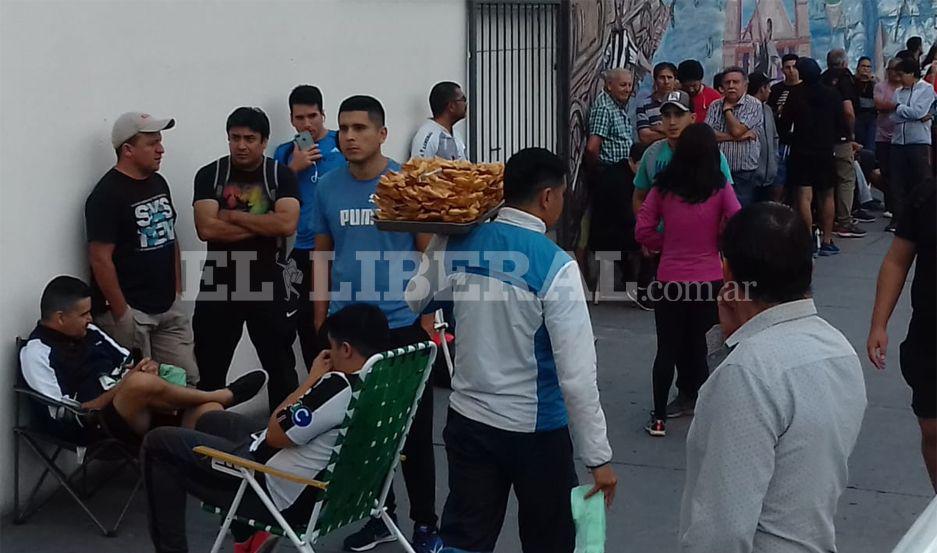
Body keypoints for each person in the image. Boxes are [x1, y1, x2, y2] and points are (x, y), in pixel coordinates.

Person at [406, 147, 617, 553]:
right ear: (547, 197)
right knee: (548, 541)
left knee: (465, 538)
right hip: (536, 432)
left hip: (468, 422)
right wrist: (599, 458)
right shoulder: (556, 265)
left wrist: (441, 237)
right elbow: (576, 377)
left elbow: (415, 298)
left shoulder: (457, 243)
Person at [679, 202, 867, 552]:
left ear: (728, 273)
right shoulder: (839, 349)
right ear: (809, 268)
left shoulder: (749, 372)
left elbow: (723, 530)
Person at [141, 304, 390, 553]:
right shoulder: (384, 382)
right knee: (211, 420)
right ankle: (248, 537)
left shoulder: (338, 387)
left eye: (332, 348)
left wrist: (311, 380)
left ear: (346, 349)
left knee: (158, 445)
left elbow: (275, 433)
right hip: (323, 483)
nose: (328, 355)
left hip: (272, 492)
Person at [309, 95, 440, 552]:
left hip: (401, 324)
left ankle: (425, 524)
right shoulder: (326, 186)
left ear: (381, 134)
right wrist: (320, 317)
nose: (349, 136)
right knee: (362, 432)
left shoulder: (405, 182)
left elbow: (428, 252)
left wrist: (427, 314)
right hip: (350, 332)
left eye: (360, 128)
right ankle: (379, 517)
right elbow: (322, 254)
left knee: (412, 432)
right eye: (344, 128)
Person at [20, 276, 266, 445]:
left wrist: (149, 367)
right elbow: (65, 413)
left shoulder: (91, 333)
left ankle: (249, 460)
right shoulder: (37, 352)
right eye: (84, 314)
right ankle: (220, 394)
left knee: (208, 413)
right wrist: (125, 386)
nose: (90, 320)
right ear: (60, 318)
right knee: (138, 384)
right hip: (93, 424)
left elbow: (128, 361)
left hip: (139, 407)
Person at [191, 107, 301, 413]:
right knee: (209, 372)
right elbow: (206, 228)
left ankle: (282, 443)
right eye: (235, 138)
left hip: (268, 284)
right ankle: (204, 438)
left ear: (264, 141)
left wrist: (232, 216)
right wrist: (262, 221)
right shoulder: (210, 174)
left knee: (280, 369)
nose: (241, 145)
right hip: (220, 283)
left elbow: (286, 225)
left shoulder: (280, 175)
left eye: (249, 139)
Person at [635, 124, 741, 437]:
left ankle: (658, 417)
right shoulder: (719, 185)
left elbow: (642, 229)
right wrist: (718, 238)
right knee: (706, 346)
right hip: (709, 279)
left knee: (667, 349)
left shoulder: (664, 186)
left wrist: (663, 242)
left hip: (670, 279)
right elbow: (738, 220)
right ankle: (708, 411)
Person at [85, 112, 198, 386]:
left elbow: (170, 235)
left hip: (167, 308)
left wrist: (177, 291)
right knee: (141, 388)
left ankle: (181, 430)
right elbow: (100, 259)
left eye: (160, 141)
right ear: (128, 150)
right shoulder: (106, 195)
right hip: (132, 313)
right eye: (151, 143)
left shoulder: (158, 183)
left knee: (187, 380)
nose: (161, 149)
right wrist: (123, 313)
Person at [632, 89, 735, 314]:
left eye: (678, 115)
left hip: (705, 258)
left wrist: (716, 242)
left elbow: (731, 210)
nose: (671, 121)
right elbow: (640, 196)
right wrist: (650, 240)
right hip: (666, 255)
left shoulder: (713, 157)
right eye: (666, 115)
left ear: (692, 118)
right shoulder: (651, 154)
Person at [868, 179, 936, 492]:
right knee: (932, 428)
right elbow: (897, 260)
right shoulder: (927, 194)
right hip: (929, 335)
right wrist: (879, 324)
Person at [273, 85, 348, 370]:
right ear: (292, 120)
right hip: (302, 249)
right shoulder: (283, 153)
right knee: (306, 322)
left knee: (340, 316)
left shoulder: (341, 144)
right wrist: (294, 167)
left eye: (313, 116)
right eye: (300, 118)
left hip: (338, 247)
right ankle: (314, 381)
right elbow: (269, 197)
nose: (307, 124)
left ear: (323, 114)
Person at [782, 57, 842, 256]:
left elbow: (784, 123)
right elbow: (842, 120)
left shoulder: (795, 94)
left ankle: (808, 241)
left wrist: (790, 137)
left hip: (801, 149)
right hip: (825, 149)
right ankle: (827, 239)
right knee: (827, 195)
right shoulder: (832, 94)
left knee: (803, 197)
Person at [585, 68, 638, 293]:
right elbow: (592, 147)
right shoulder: (604, 108)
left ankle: (622, 282)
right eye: (622, 85)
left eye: (629, 85)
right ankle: (615, 284)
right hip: (610, 175)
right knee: (615, 230)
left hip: (621, 175)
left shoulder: (617, 107)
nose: (627, 89)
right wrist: (598, 174)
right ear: (609, 85)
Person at [821, 49, 866, 240]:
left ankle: (825, 221)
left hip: (821, 138)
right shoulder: (845, 80)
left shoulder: (822, 79)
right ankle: (845, 221)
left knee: (827, 182)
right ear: (845, 63)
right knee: (846, 178)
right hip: (840, 138)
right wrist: (851, 133)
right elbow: (848, 110)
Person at [705, 67, 763, 206]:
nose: (731, 86)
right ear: (722, 86)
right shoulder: (714, 105)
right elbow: (708, 135)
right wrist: (735, 137)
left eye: (735, 82)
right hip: (719, 170)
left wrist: (727, 110)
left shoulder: (753, 104)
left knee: (741, 210)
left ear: (745, 85)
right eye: (727, 82)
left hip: (744, 172)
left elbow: (736, 130)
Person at [889, 57, 936, 229]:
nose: (900, 79)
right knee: (898, 182)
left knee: (922, 180)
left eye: (902, 75)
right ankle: (899, 218)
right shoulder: (899, 92)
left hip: (918, 142)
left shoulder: (926, 89)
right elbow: (892, 117)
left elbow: (918, 111)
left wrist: (900, 109)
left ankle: (926, 216)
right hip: (898, 142)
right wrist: (904, 113)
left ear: (912, 74)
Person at [767, 54, 804, 201]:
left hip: (801, 143)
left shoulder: (805, 89)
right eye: (788, 67)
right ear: (782, 70)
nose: (791, 71)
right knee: (779, 180)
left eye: (794, 67)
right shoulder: (776, 90)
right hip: (780, 141)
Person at [874, 57, 903, 227]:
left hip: (900, 137)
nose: (895, 72)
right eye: (892, 69)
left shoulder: (906, 88)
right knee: (885, 171)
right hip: (883, 136)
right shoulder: (880, 87)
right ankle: (890, 203)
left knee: (898, 173)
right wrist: (900, 107)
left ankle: (898, 206)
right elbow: (880, 105)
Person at [410, 81, 467, 161]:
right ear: (451, 106)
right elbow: (418, 170)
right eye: (463, 99)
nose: (466, 104)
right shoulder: (426, 136)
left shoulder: (456, 135)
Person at [747, 72, 779, 201]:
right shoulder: (745, 109)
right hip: (751, 178)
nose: (770, 91)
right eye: (768, 87)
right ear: (762, 88)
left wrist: (774, 162)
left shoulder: (767, 110)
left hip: (769, 177)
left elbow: (774, 137)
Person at [636, 62, 679, 144]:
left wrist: (661, 128)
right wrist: (674, 132)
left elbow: (685, 132)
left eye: (669, 77)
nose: (666, 82)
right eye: (662, 78)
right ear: (655, 80)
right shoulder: (644, 104)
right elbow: (645, 137)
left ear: (675, 80)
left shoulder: (682, 102)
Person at [677, 59, 722, 124]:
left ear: (701, 80)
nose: (691, 90)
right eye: (686, 86)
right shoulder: (677, 96)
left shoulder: (714, 97)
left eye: (694, 85)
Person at [855, 56, 878, 151]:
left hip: (872, 117)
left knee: (870, 146)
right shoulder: (852, 82)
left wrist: (874, 82)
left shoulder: (874, 83)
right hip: (858, 116)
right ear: (858, 68)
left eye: (868, 67)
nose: (866, 69)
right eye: (863, 66)